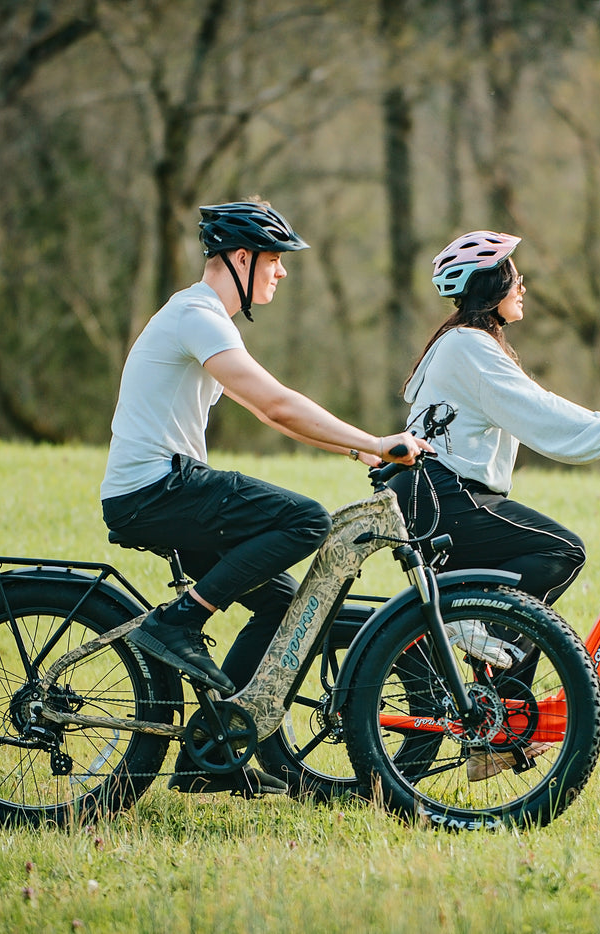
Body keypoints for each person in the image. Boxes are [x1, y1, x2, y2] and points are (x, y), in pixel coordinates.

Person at [100, 200, 429, 796]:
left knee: (284, 608)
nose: (281, 273)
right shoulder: (198, 314)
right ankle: (178, 622)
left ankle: (211, 754)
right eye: (275, 261)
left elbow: (266, 411)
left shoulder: (202, 318)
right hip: (157, 489)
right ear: (241, 258)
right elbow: (276, 402)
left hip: (160, 488)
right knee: (305, 521)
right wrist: (375, 439)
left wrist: (359, 450)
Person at [390, 231, 600, 778]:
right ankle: (482, 640)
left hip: (439, 495)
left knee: (513, 589)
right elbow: (538, 410)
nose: (523, 283)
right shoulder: (469, 346)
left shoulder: (466, 343)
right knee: (560, 551)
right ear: (492, 286)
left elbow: (522, 410)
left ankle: (497, 728)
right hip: (444, 496)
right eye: (514, 274)